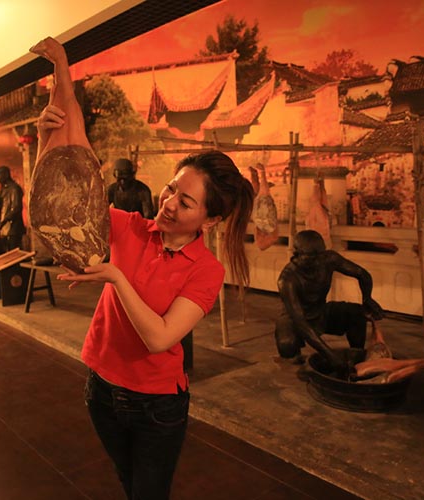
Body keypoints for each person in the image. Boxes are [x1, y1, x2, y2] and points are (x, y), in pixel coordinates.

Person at [34, 38, 254, 497]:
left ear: (210, 220)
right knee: (128, 481)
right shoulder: (131, 227)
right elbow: (52, 210)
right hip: (100, 388)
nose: (168, 203)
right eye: (171, 189)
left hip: (156, 405)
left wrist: (116, 277)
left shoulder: (206, 270)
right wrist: (45, 139)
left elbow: (159, 338)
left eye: (186, 202)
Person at [274, 229, 384, 371]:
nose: (317, 261)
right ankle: (296, 360)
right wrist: (329, 354)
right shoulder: (287, 280)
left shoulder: (328, 259)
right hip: (295, 320)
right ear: (297, 254)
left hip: (320, 312)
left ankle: (356, 354)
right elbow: (300, 322)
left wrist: (367, 298)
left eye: (320, 255)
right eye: (311, 257)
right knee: (287, 344)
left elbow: (362, 274)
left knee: (357, 313)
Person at [0, 165, 25, 250]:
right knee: (7, 251)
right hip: (5, 228)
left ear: (6, 174)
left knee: (14, 252)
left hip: (14, 227)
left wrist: (3, 222)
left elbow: (16, 208)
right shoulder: (4, 190)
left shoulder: (14, 189)